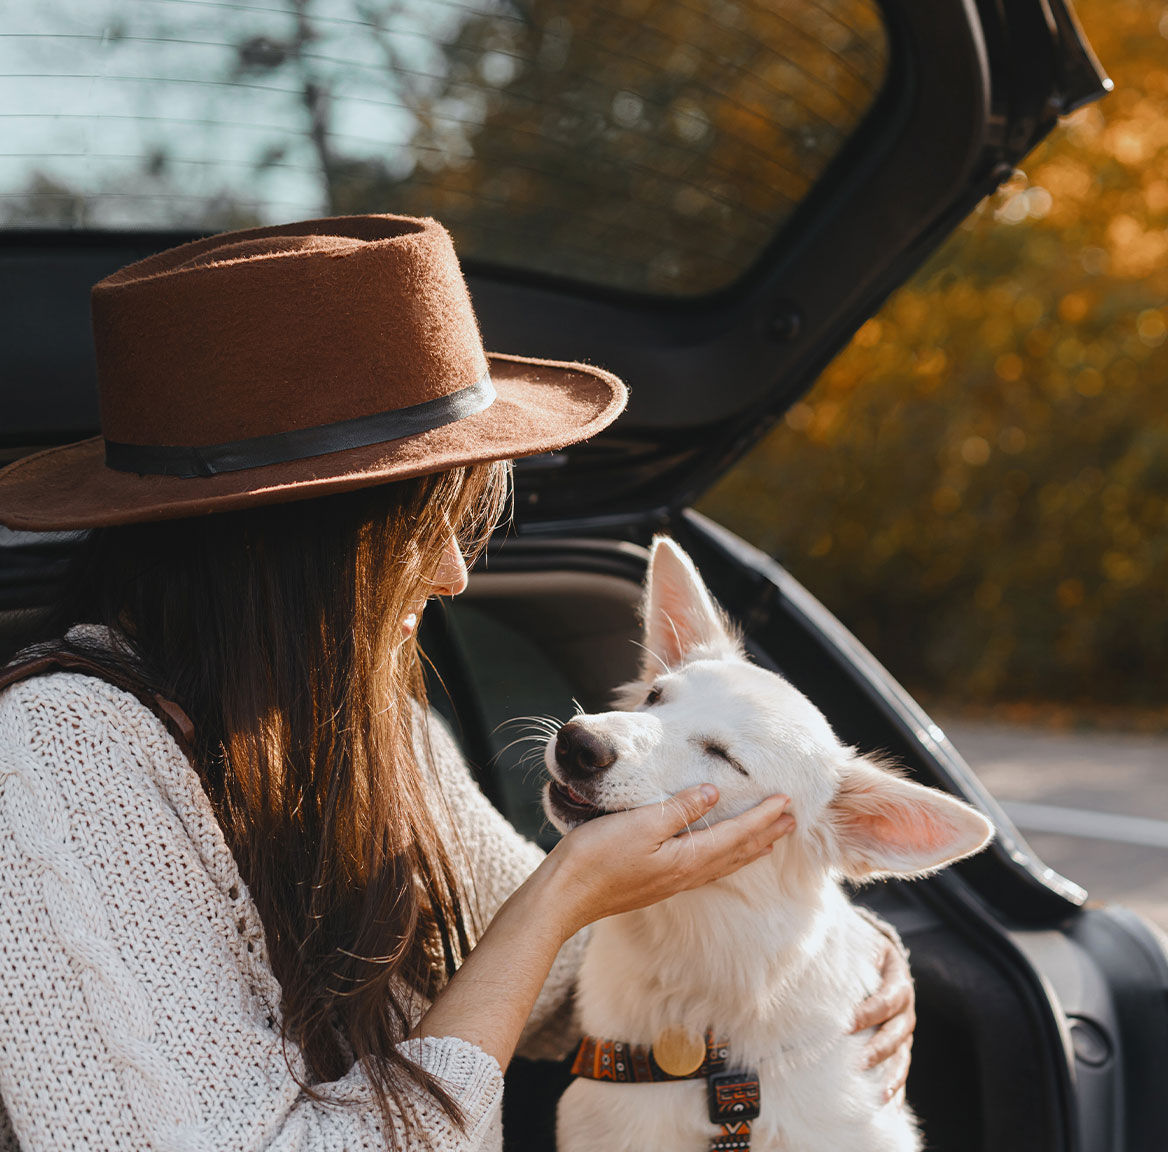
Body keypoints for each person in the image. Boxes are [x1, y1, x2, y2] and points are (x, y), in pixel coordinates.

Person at [0, 215, 915, 1150]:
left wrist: (847, 961)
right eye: (414, 525)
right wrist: (559, 898)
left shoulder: (371, 730)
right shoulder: (57, 760)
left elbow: (558, 985)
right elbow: (541, 929)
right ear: (274, 544)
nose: (450, 573)